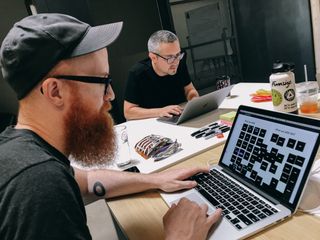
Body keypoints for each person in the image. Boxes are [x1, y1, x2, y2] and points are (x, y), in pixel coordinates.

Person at [0, 14, 221, 240]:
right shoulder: (39, 190)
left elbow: (85, 182)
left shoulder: (24, 152)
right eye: (101, 81)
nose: (111, 96)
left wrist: (157, 179)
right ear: (55, 92)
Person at [123, 30, 199, 120]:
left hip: (181, 116)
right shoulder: (138, 73)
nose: (175, 62)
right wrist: (160, 111)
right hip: (153, 122)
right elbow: (128, 112)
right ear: (153, 57)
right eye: (169, 57)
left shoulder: (179, 62)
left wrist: (194, 100)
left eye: (178, 54)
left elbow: (189, 90)